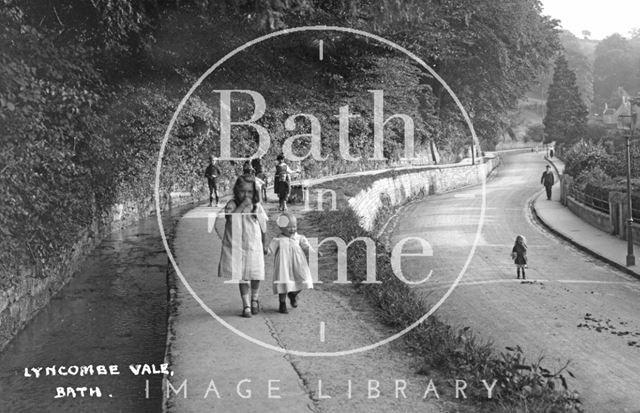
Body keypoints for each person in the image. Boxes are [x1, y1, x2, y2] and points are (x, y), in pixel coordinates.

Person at [217, 175, 268, 318]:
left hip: (254, 245)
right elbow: (231, 219)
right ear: (236, 191)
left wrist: (264, 244)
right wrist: (242, 206)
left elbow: (263, 226)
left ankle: (255, 299)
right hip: (238, 246)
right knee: (243, 276)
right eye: (242, 192)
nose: (246, 195)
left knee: (256, 273)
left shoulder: (257, 206)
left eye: (250, 192)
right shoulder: (232, 205)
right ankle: (246, 305)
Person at [268, 212, 315, 314]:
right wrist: (265, 251)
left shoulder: (299, 237)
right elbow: (270, 249)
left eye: (294, 226)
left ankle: (293, 294)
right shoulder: (278, 239)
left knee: (304, 279)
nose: (293, 229)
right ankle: (282, 304)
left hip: (298, 264)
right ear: (281, 228)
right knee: (283, 283)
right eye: (289, 227)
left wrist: (314, 252)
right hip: (283, 266)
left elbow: (306, 246)